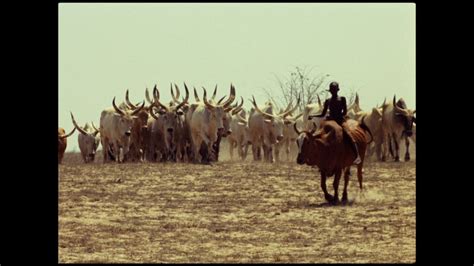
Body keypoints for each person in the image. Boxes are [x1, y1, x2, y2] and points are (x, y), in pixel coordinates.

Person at [309, 81, 362, 164]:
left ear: (337, 90)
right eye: (332, 90)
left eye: (334, 89)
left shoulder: (342, 99)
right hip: (330, 120)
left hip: (340, 121)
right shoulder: (328, 101)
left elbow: (344, 112)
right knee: (318, 135)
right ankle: (314, 157)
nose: (333, 91)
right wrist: (313, 115)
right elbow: (323, 113)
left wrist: (337, 116)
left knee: (349, 135)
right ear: (330, 91)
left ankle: (357, 156)